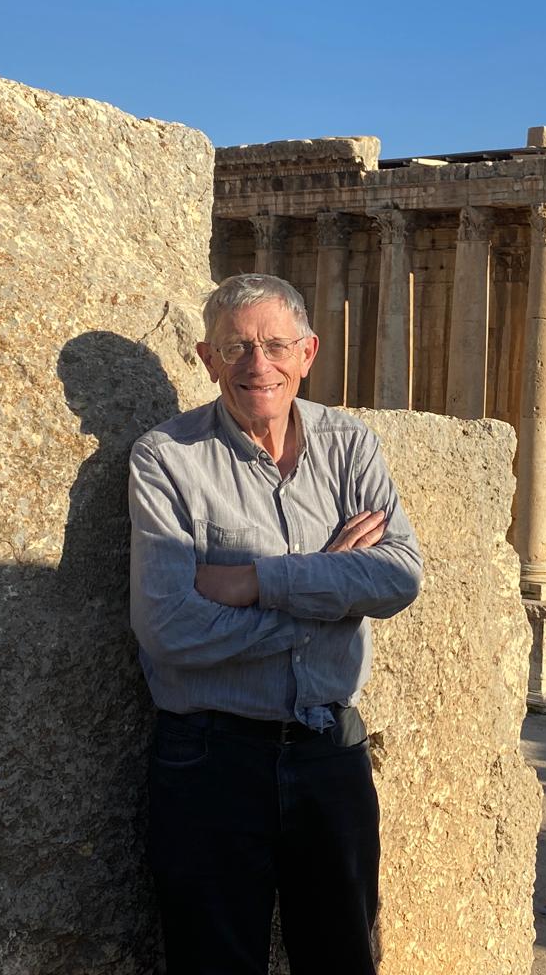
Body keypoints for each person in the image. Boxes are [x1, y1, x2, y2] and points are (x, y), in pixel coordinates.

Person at [129, 273, 423, 975]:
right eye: (235, 347)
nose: (256, 365)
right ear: (206, 358)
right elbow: (169, 629)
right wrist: (326, 596)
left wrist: (261, 580)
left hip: (330, 748)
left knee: (345, 958)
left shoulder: (349, 444)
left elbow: (399, 575)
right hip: (209, 758)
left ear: (308, 353)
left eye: (273, 345)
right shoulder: (166, 458)